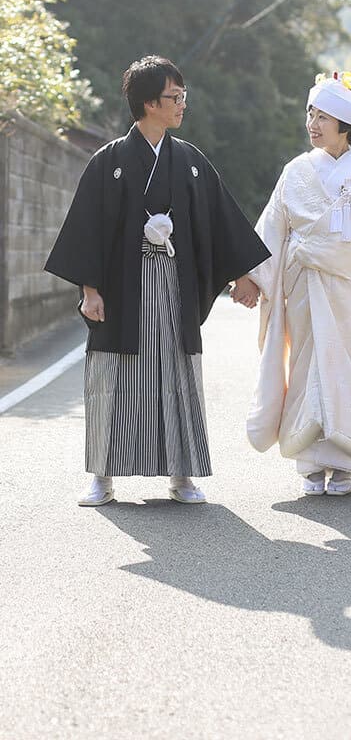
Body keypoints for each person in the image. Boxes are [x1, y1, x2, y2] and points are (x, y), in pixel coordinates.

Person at [45, 56, 270, 506]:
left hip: (173, 285)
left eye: (182, 95)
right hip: (122, 286)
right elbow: (86, 227)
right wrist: (90, 290)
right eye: (174, 96)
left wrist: (244, 274)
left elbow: (220, 219)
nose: (182, 103)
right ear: (149, 103)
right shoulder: (108, 161)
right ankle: (103, 475)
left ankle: (182, 474)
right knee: (113, 376)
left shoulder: (188, 160)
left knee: (176, 373)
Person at [233, 70, 351, 496]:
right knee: (306, 364)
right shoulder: (295, 170)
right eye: (311, 113)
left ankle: (346, 462)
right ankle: (309, 461)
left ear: (347, 126)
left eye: (323, 116)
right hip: (304, 285)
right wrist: (251, 276)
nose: (313, 124)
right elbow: (272, 228)